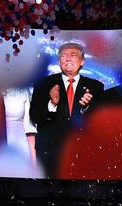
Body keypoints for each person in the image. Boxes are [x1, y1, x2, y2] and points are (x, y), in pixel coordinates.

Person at [29, 42, 104, 178]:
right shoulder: (43, 84)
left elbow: (102, 122)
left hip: (83, 152)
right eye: (63, 56)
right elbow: (34, 116)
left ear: (82, 61)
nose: (68, 59)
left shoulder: (96, 87)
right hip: (50, 154)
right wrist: (52, 104)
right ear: (59, 61)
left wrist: (86, 107)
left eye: (73, 55)